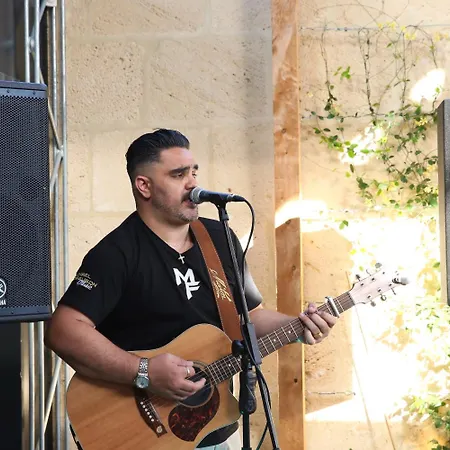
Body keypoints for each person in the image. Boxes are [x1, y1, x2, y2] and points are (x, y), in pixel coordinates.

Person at [45, 128, 338, 450]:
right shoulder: (117, 253)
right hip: (139, 434)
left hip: (210, 430)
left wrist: (298, 327)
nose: (192, 184)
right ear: (144, 186)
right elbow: (63, 331)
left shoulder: (220, 239)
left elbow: (248, 317)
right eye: (178, 174)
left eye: (194, 172)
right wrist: (144, 372)